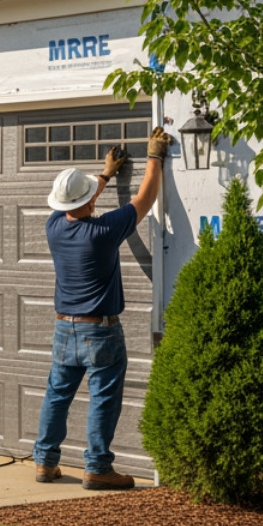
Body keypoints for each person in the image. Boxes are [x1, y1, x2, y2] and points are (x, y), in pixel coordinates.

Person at [34, 127, 171, 490]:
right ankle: (97, 468)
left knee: (57, 394)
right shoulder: (104, 231)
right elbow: (145, 197)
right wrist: (155, 155)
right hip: (101, 331)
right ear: (89, 201)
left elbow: (80, 201)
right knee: (103, 398)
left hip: (65, 329)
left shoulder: (53, 227)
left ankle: (45, 463)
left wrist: (106, 175)